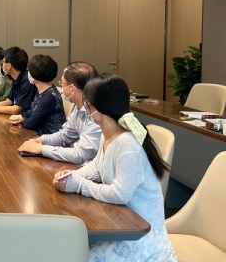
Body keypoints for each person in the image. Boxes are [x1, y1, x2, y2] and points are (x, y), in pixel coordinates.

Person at [53, 75, 176, 261]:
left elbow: (120, 194)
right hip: (119, 222)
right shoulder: (109, 134)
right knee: (67, 249)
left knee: (74, 255)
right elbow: (97, 167)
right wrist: (73, 176)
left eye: (87, 103)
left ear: (96, 107)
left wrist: (80, 185)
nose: (85, 108)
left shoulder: (127, 144)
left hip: (138, 237)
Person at [18, 61, 102, 164]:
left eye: (62, 84)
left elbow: (79, 155)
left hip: (92, 169)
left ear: (72, 89)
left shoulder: (97, 114)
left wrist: (43, 149)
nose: (61, 88)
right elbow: (64, 136)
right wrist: (41, 140)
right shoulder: (79, 107)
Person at [9, 54, 66, 135]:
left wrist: (21, 122)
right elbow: (33, 110)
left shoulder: (48, 97)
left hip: (49, 138)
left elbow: (30, 123)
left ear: (34, 74)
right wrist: (21, 117)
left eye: (29, 70)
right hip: (39, 136)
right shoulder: (42, 91)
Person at [0, 46, 37, 115]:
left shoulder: (28, 81)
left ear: (9, 66)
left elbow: (15, 109)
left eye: (3, 62)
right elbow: (8, 102)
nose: (2, 65)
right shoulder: (17, 79)